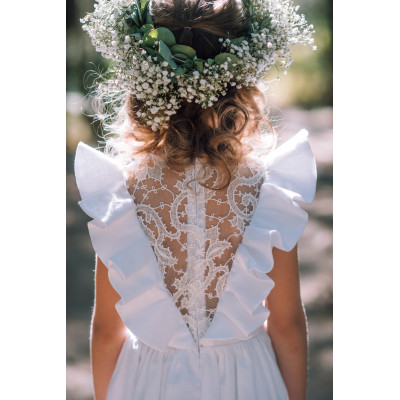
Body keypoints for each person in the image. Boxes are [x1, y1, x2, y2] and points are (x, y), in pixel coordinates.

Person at [76, 0, 317, 399]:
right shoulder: (266, 188)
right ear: (239, 80)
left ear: (143, 79)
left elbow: (105, 331)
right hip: (247, 378)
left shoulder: (121, 192)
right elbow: (287, 323)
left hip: (148, 381)